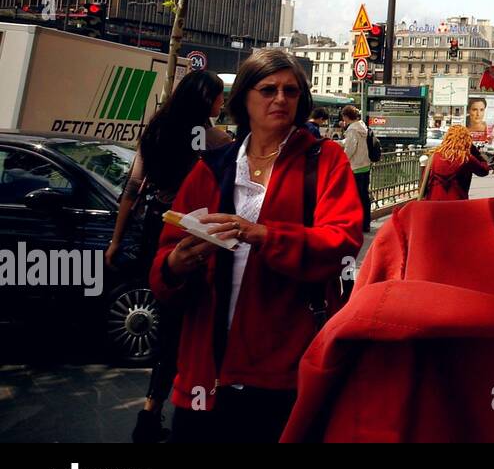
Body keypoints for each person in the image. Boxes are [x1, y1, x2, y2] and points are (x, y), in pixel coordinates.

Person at [150, 49, 363, 443]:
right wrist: (177, 263)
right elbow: (163, 266)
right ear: (243, 98)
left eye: (291, 91)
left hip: (285, 370)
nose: (280, 98)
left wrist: (261, 234)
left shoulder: (324, 159)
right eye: (268, 89)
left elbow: (342, 243)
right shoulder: (210, 168)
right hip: (206, 371)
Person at [107, 70, 232, 443]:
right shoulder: (216, 139)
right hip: (190, 235)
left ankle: (151, 412)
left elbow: (133, 186)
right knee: (188, 323)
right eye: (218, 96)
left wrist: (116, 239)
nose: (221, 103)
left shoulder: (157, 130)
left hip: (153, 231)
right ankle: (183, 405)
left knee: (168, 316)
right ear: (206, 100)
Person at [418, 125, 490, 201]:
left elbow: (424, 182)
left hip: (434, 204)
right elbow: (484, 171)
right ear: (466, 140)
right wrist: (475, 152)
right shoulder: (465, 158)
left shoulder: (435, 157)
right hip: (457, 204)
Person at [341, 105, 372, 233]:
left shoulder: (352, 130)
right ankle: (366, 223)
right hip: (365, 165)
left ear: (346, 117)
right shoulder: (362, 127)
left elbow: (350, 149)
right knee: (364, 196)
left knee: (355, 197)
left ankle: (357, 224)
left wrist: (342, 160)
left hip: (355, 167)